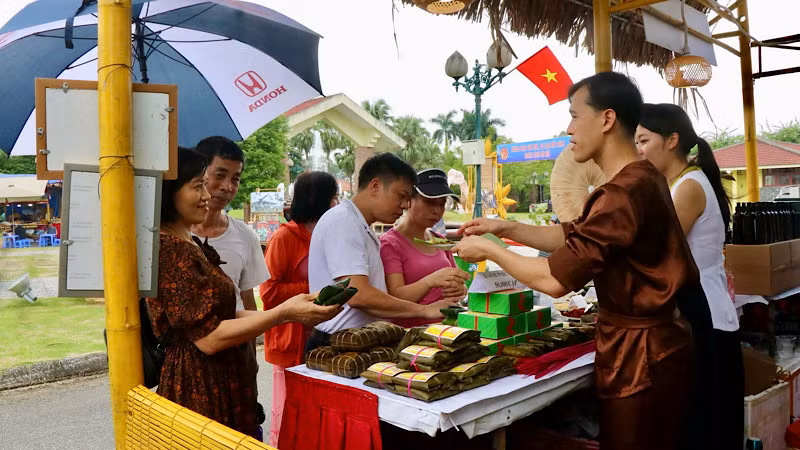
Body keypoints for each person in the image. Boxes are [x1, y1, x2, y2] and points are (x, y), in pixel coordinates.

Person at [453, 72, 710, 450]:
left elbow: (553, 280)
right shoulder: (639, 178)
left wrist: (491, 250)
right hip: (656, 343)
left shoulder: (623, 191)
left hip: (642, 354)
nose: (569, 129)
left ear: (607, 119)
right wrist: (505, 227)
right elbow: (575, 236)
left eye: (574, 116)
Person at [147, 147, 341, 437]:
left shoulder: (187, 241)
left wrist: (289, 312)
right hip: (199, 383)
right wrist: (283, 313)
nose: (207, 195)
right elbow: (209, 338)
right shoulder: (171, 249)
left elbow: (226, 314)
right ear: (169, 192)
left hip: (221, 375)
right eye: (197, 186)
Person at [636, 103, 743, 450]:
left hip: (705, 315)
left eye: (643, 141)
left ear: (671, 141)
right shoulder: (677, 183)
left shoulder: (689, 186)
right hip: (698, 310)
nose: (638, 150)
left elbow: (657, 251)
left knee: (704, 423)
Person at [306, 153, 460, 352]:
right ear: (376, 186)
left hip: (360, 340)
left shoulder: (360, 225)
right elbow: (358, 295)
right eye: (401, 196)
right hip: (338, 344)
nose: (405, 205)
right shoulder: (343, 221)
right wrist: (424, 310)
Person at [191, 136, 270, 433]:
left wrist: (251, 361)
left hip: (236, 356)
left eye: (235, 178)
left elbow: (247, 301)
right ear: (200, 174)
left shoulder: (245, 236)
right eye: (220, 175)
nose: (227, 187)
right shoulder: (172, 236)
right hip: (192, 359)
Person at [259, 170, 339, 446]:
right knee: (288, 412)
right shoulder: (284, 237)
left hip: (323, 339)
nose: (337, 204)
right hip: (290, 340)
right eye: (333, 197)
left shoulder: (328, 235)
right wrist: (314, 287)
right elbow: (268, 291)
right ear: (319, 200)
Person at [379, 168, 468, 328]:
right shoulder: (390, 244)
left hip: (448, 328)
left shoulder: (440, 240)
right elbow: (395, 297)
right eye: (429, 202)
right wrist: (430, 281)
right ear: (409, 201)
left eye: (442, 204)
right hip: (412, 334)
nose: (437, 211)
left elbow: (458, 283)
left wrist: (460, 290)